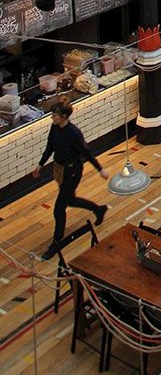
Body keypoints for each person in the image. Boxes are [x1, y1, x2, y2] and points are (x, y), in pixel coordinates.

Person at [32, 100, 109, 259]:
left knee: (59, 208)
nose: (51, 117)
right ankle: (98, 209)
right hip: (60, 169)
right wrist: (40, 165)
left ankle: (57, 241)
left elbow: (86, 152)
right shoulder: (55, 128)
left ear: (64, 116)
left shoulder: (73, 133)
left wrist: (100, 168)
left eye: (54, 115)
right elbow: (50, 147)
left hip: (73, 171)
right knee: (70, 200)